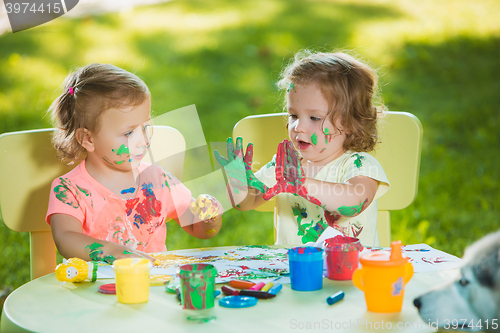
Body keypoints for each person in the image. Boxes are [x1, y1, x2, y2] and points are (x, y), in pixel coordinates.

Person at [46, 63, 223, 263]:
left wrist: (209, 217)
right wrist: (112, 251)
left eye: (146, 126)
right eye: (129, 133)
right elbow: (65, 238)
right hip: (93, 290)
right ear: (88, 139)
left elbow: (197, 227)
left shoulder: (157, 180)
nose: (143, 140)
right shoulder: (70, 190)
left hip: (153, 285)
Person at [216, 51, 390, 246]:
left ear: (349, 123)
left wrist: (301, 183)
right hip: (292, 271)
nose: (298, 127)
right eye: (293, 116)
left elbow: (354, 202)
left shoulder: (360, 165)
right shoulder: (286, 165)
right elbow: (246, 202)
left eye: (314, 118)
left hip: (350, 272)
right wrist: (237, 180)